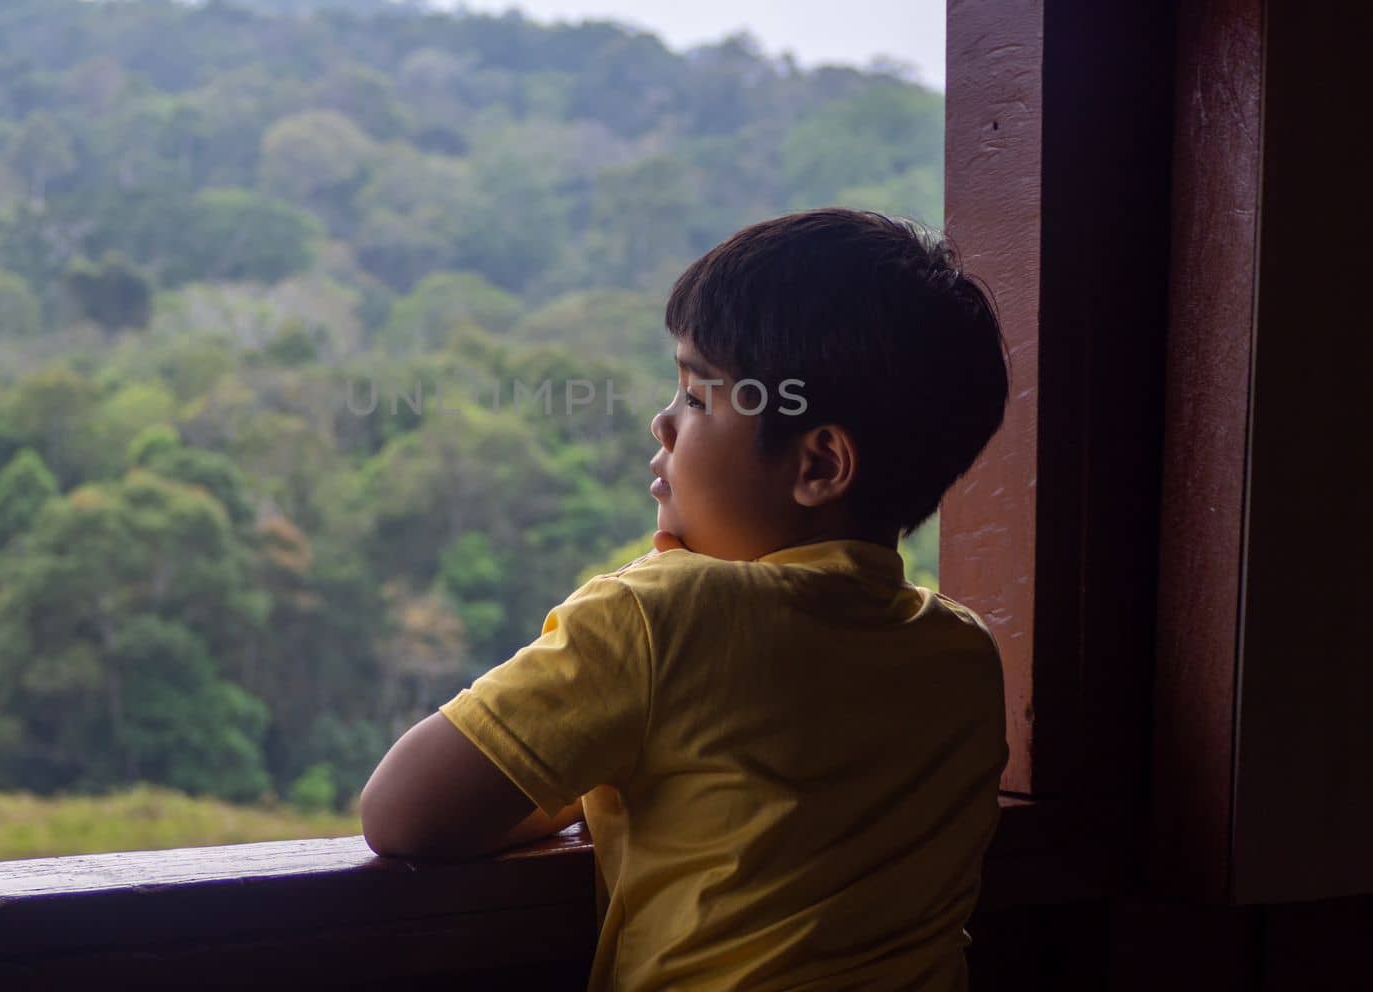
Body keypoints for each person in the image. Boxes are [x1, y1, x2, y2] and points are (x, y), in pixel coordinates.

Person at [360, 208, 1011, 991]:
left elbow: (401, 813)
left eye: (700, 398)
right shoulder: (962, 654)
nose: (663, 423)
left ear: (820, 465)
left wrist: (602, 731)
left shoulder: (662, 615)